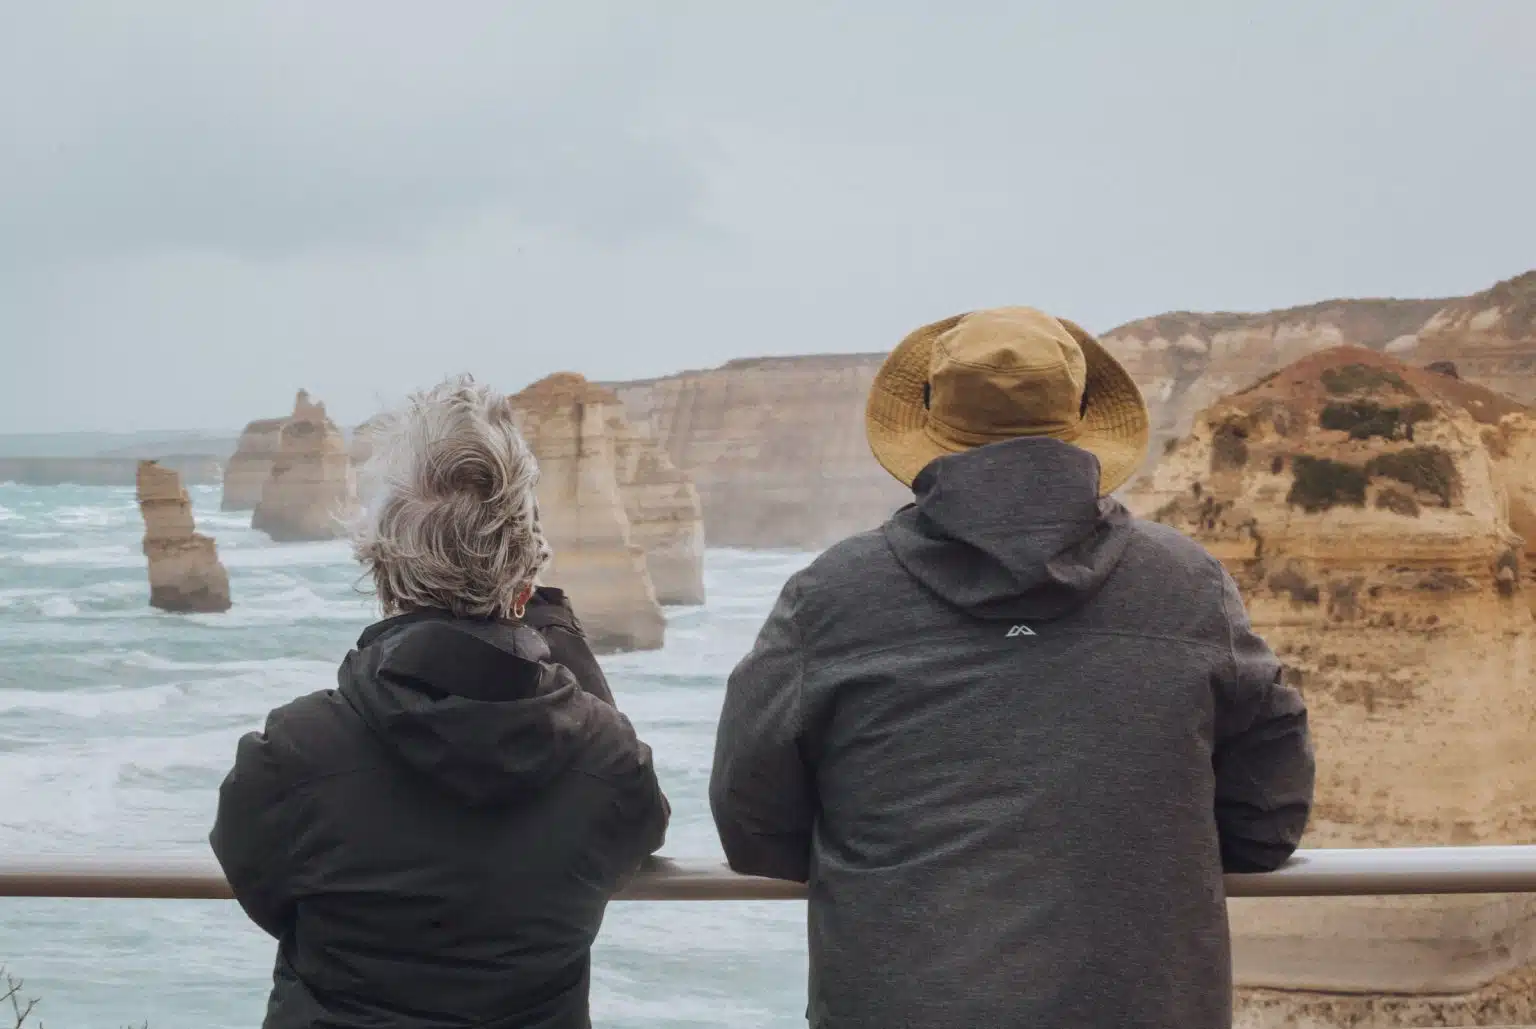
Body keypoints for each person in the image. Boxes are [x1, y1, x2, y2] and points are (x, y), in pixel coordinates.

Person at [710, 307, 1314, 1029]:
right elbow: (1266, 823)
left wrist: (885, 853)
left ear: (933, 427)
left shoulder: (830, 597)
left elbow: (752, 827)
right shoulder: (1190, 588)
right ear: (1080, 421)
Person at [211, 376, 669, 1029]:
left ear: (383, 571)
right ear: (520, 584)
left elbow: (259, 880)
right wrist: (548, 622)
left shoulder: (292, 755)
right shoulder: (605, 762)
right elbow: (634, 828)